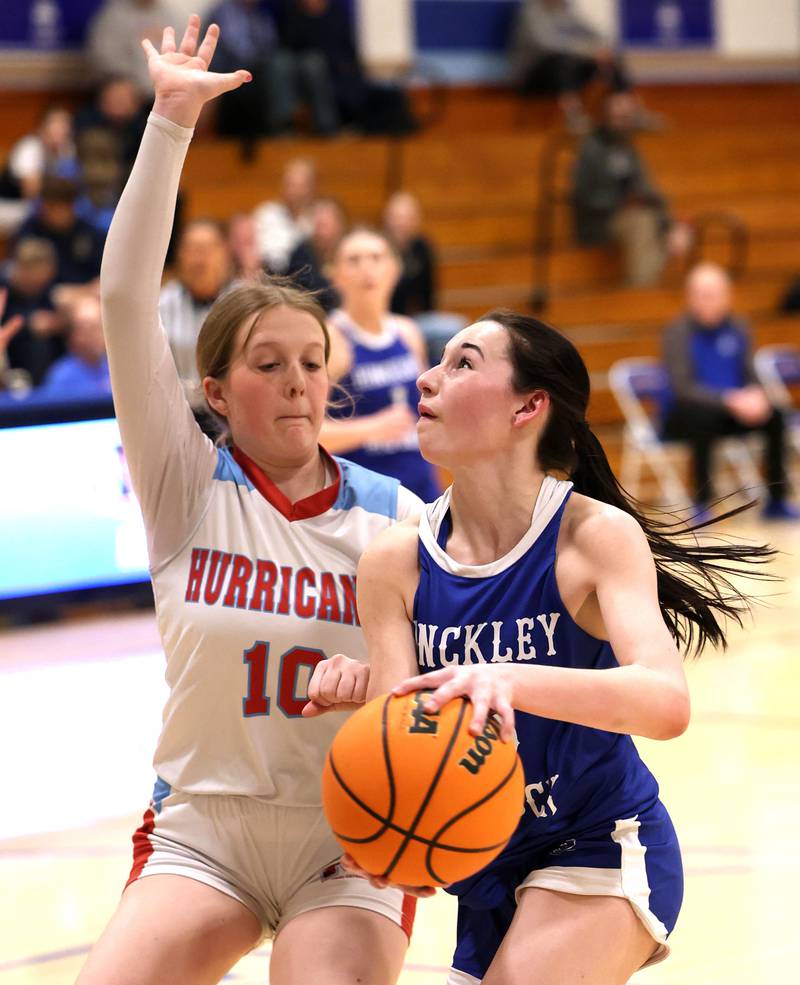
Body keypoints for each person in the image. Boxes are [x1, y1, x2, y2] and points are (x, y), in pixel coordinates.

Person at [75, 18, 421, 985]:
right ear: (218, 392)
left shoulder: (393, 515)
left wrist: (386, 687)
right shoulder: (187, 482)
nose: (299, 383)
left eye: (312, 363)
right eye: (269, 365)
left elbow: (441, 675)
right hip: (204, 827)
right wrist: (171, 124)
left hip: (349, 830)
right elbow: (120, 299)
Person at [347, 308, 775, 984]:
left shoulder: (592, 535)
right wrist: (395, 829)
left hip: (602, 839)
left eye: (462, 363)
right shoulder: (393, 561)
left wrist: (506, 678)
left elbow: (665, 702)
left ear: (529, 406)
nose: (427, 378)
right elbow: (398, 734)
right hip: (487, 860)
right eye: (437, 361)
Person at [661, 263, 796, 520]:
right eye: (702, 294)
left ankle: (777, 502)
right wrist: (727, 400)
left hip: (733, 410)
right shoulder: (677, 332)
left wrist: (758, 395)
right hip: (685, 414)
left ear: (727, 296)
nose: (709, 301)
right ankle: (702, 501)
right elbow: (683, 388)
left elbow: (750, 372)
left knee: (775, 415)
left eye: (714, 294)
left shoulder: (738, 327)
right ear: (690, 297)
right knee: (702, 418)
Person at [322, 227, 441, 503]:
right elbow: (308, 436)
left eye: (376, 257)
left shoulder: (408, 332)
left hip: (421, 493)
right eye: (354, 260)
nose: (367, 268)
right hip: (363, 502)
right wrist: (373, 428)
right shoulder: (330, 337)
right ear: (335, 274)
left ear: (394, 269)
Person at [571, 91, 689, 287]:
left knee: (667, 225)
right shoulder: (592, 149)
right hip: (599, 222)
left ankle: (647, 286)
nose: (623, 122)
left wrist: (672, 224)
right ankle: (640, 291)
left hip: (631, 213)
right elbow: (583, 196)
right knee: (642, 222)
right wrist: (619, 201)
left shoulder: (628, 148)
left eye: (627, 117)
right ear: (605, 116)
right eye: (618, 117)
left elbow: (649, 192)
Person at [207, 0, 339, 137]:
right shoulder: (226, 11)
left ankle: (324, 128)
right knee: (280, 64)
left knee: (307, 63)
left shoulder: (260, 14)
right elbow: (240, 51)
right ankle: (282, 126)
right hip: (230, 72)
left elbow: (272, 43)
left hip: (257, 70)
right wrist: (268, 59)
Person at [510, 0, 636, 132]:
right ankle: (572, 114)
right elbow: (547, 44)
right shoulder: (532, 11)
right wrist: (588, 51)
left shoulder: (565, 10)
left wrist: (601, 49)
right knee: (561, 61)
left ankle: (625, 109)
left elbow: (596, 34)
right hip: (533, 75)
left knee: (610, 58)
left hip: (565, 70)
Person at [159, 218, 235, 389]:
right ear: (180, 256)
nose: (199, 260)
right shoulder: (161, 306)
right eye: (192, 250)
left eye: (206, 250)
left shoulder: (244, 305)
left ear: (224, 253)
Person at [11, 175, 106, 286]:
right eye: (51, 207)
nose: (57, 213)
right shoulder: (30, 229)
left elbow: (102, 273)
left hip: (85, 292)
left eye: (61, 207)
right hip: (44, 295)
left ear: (72, 206)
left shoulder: (89, 233)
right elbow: (20, 270)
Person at [0, 238, 64, 386]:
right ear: (21, 268)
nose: (37, 284)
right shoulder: (4, 287)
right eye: (33, 278)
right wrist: (28, 323)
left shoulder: (46, 289)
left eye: (42, 279)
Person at [86, 0, 179, 98]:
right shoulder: (114, 14)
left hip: (166, 90)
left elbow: (180, 56)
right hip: (127, 88)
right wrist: (127, 82)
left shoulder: (174, 15)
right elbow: (105, 58)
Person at [39, 293, 111, 398]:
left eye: (99, 326)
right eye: (86, 329)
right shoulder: (61, 377)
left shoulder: (115, 369)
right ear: (71, 336)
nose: (95, 335)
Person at [253, 157, 316, 274]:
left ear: (310, 189)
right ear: (282, 186)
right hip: (268, 275)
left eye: (301, 185)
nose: (295, 191)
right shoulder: (266, 214)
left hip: (305, 278)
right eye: (291, 184)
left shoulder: (316, 219)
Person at [288, 197, 347, 312]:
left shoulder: (349, 250)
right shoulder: (301, 253)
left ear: (339, 223)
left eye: (327, 218)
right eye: (317, 216)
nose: (320, 220)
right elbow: (302, 291)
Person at [383, 192, 437, 318]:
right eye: (396, 217)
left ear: (417, 220)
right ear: (386, 219)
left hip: (415, 318)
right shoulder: (379, 249)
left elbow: (429, 291)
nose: (401, 223)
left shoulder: (422, 248)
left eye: (408, 218)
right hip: (385, 317)